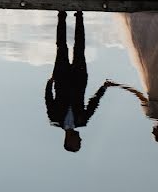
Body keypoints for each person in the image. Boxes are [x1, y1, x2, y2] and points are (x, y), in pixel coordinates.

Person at [107, 11, 158, 143]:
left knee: (143, 47)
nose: (152, 130)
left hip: (149, 79)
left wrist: (118, 85)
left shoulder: (151, 114)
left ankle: (147, 21)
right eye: (155, 133)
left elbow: (138, 94)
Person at [45, 11, 113, 152]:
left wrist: (49, 82)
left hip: (61, 78)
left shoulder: (55, 119)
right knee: (79, 48)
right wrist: (104, 87)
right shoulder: (82, 121)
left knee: (62, 47)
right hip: (79, 79)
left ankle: (62, 15)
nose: (81, 139)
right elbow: (94, 103)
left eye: (78, 143)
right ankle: (79, 16)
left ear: (68, 141)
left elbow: (48, 100)